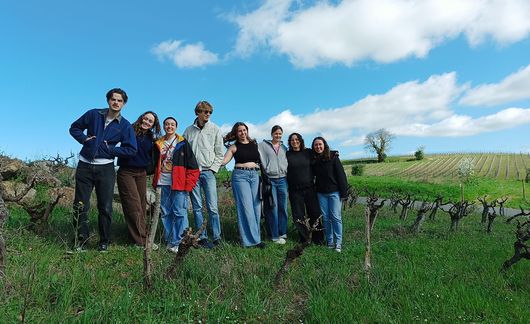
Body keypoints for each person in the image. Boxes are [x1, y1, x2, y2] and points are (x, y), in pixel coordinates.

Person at [69, 88, 137, 252]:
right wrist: (85, 139)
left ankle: (104, 242)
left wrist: (111, 150)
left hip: (105, 168)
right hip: (84, 165)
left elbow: (131, 150)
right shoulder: (93, 114)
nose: (116, 103)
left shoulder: (125, 126)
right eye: (113, 99)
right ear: (108, 100)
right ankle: (80, 242)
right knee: (80, 205)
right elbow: (74, 128)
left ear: (124, 104)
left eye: (119, 101)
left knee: (105, 207)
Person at [152, 117, 199, 253]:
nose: (169, 126)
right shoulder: (158, 143)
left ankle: (181, 242)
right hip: (162, 182)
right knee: (166, 213)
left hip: (179, 184)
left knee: (179, 212)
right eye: (167, 124)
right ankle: (170, 240)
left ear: (176, 127)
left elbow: (193, 168)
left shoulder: (182, 143)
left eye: (172, 124)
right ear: (164, 126)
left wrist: (188, 185)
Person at [117, 111, 161, 250]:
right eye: (146, 119)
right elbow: (115, 137)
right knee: (133, 205)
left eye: (150, 121)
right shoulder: (129, 130)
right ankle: (143, 241)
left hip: (141, 173)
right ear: (141, 118)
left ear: (153, 125)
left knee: (142, 206)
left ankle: (135, 237)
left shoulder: (151, 138)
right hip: (126, 171)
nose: (147, 122)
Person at [183, 101, 224, 249]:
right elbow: (184, 153)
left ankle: (217, 237)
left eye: (210, 112)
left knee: (213, 207)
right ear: (197, 113)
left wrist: (213, 169)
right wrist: (188, 170)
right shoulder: (188, 131)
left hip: (208, 172)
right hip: (193, 173)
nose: (207, 114)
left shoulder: (215, 129)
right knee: (197, 207)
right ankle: (202, 237)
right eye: (205, 111)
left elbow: (220, 153)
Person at [222, 122, 265, 248]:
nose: (242, 133)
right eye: (239, 131)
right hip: (240, 177)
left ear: (247, 131)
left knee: (256, 209)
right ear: (236, 133)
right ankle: (249, 241)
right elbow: (224, 161)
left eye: (244, 130)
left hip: (255, 176)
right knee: (246, 209)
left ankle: (256, 238)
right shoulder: (233, 147)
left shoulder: (254, 144)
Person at [312, 136, 348, 253]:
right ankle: (330, 241)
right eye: (316, 145)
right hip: (321, 194)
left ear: (324, 145)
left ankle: (338, 243)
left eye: (320, 144)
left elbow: (341, 176)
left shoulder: (333, 157)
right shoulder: (315, 160)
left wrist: (344, 193)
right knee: (326, 219)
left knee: (336, 217)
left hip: (334, 193)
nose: (318, 147)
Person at [286, 133, 324, 244]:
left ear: (301, 141)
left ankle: (318, 239)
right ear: (290, 142)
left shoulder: (308, 152)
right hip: (294, 190)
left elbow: (320, 152)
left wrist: (333, 153)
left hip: (310, 188)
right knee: (298, 215)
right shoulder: (287, 154)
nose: (295, 141)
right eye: (292, 140)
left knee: (315, 213)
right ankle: (304, 238)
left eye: (297, 139)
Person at [258, 125, 288, 244]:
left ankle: (283, 232)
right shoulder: (263, 145)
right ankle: (274, 235)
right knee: (273, 208)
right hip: (270, 180)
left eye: (280, 134)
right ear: (272, 134)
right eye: (276, 133)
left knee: (283, 207)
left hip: (283, 180)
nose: (278, 135)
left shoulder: (284, 147)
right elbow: (252, 146)